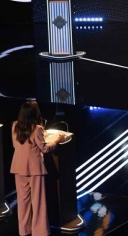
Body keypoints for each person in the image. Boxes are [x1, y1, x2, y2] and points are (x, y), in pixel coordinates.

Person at [10, 100, 65, 236]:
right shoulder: (37, 128)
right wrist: (56, 140)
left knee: (23, 201)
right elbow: (45, 149)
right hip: (35, 170)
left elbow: (16, 146)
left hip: (18, 168)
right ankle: (40, 232)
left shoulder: (15, 126)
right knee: (38, 202)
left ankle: (24, 230)